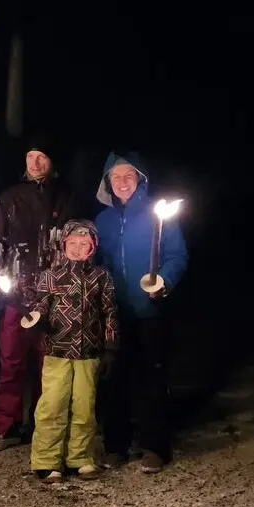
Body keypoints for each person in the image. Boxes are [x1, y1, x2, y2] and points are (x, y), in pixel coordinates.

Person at [0, 134, 79, 452]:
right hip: (17, 295)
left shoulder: (64, 197)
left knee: (46, 363)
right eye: (30, 157)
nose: (36, 163)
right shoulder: (10, 197)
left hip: (51, 295)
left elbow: (77, 243)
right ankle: (6, 426)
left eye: (42, 157)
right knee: (11, 361)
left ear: (51, 162)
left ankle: (42, 424)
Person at [92, 152, 188, 473]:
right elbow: (96, 262)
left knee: (151, 377)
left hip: (149, 309)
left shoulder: (157, 215)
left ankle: (154, 447)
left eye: (128, 176)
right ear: (107, 182)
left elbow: (176, 255)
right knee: (114, 379)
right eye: (116, 177)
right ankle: (116, 445)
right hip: (113, 313)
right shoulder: (102, 220)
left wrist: (165, 281)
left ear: (140, 179)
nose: (122, 183)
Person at [21, 220, 119, 483]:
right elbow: (40, 305)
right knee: (52, 405)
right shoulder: (50, 276)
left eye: (83, 244)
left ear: (92, 247)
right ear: (63, 245)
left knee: (84, 407)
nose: (77, 248)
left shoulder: (101, 276)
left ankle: (80, 457)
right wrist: (36, 320)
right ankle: (46, 460)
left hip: (89, 354)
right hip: (57, 352)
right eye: (72, 243)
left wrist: (110, 346)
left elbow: (109, 312)